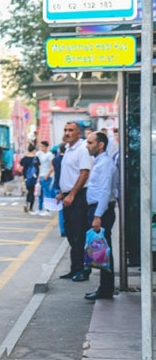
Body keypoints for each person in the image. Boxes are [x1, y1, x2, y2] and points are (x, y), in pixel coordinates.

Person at [57, 122, 94, 282]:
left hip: (79, 196)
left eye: (71, 130)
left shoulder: (82, 149)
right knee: (71, 233)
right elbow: (69, 174)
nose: (67, 133)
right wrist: (62, 193)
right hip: (68, 195)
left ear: (79, 133)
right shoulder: (68, 149)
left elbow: (84, 174)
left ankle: (82, 270)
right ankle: (74, 268)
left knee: (79, 234)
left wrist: (72, 194)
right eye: (65, 130)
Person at [84, 131, 117, 300]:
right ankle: (104, 287)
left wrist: (97, 216)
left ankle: (106, 289)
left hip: (101, 210)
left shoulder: (105, 164)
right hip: (98, 209)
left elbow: (105, 191)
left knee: (104, 250)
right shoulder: (100, 162)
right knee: (101, 250)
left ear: (101, 144)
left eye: (90, 143)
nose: (87, 146)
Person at [49, 143, 67, 237]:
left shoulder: (55, 160)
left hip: (57, 185)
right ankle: (68, 229)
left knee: (61, 210)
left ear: (59, 150)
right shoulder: (67, 159)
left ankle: (63, 230)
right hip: (67, 187)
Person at [35, 140, 55, 216]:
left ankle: (48, 210)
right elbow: (39, 166)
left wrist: (47, 175)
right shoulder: (40, 154)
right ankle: (39, 209)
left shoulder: (50, 155)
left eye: (42, 146)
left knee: (47, 194)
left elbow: (52, 167)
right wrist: (39, 176)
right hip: (41, 175)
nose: (41, 148)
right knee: (40, 194)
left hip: (46, 176)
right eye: (40, 146)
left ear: (46, 147)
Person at [20, 144, 40, 215]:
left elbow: (20, 168)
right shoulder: (36, 158)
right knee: (32, 192)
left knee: (29, 191)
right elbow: (39, 168)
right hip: (34, 177)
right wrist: (38, 177)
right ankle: (30, 207)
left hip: (26, 177)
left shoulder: (24, 158)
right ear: (34, 150)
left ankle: (27, 203)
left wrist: (23, 176)